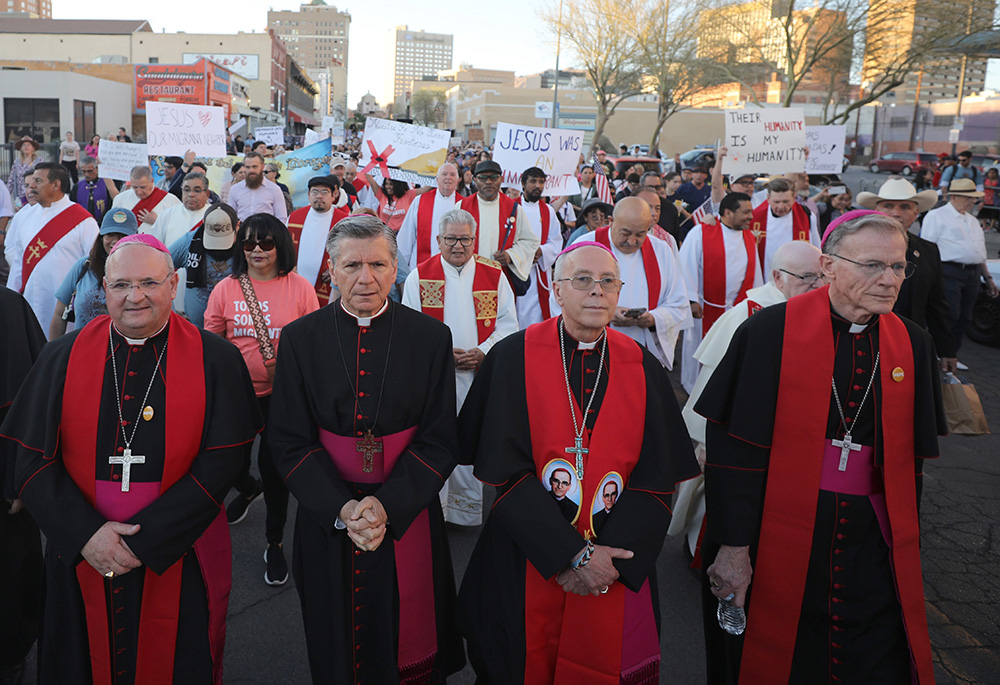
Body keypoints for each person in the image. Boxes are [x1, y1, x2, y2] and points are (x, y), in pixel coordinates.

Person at [695, 212, 947, 684]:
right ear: (829, 266)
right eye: (873, 265)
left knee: (872, 650)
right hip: (775, 529)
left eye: (898, 267)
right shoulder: (768, 332)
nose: (889, 280)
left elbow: (910, 462)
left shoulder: (913, 343)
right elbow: (735, 451)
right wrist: (733, 547)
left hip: (870, 539)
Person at [1, 233, 260, 684]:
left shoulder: (216, 359)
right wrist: (86, 535)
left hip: (177, 547)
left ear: (174, 284)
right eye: (120, 285)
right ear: (103, 288)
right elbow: (30, 460)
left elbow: (225, 461)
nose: (134, 296)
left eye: (148, 283)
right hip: (79, 551)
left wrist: (145, 541)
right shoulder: (61, 356)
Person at [457, 241, 699, 684]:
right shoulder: (512, 358)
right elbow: (504, 470)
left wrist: (607, 560)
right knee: (513, 661)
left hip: (615, 552)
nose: (597, 292)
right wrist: (570, 556)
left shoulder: (642, 365)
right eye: (582, 280)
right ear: (555, 287)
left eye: (608, 282)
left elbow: (656, 476)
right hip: (525, 551)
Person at [269, 214, 464, 683]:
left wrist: (387, 504)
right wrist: (343, 508)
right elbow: (289, 439)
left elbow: (439, 439)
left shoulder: (431, 338)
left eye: (378, 264)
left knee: (409, 631)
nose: (366, 278)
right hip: (328, 510)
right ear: (330, 271)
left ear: (395, 268)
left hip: (407, 506)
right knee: (333, 634)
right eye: (352, 265)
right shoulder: (300, 338)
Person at [674, 241, 823, 561]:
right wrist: (703, 441)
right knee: (720, 494)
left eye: (821, 276)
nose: (817, 285)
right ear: (777, 277)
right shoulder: (748, 314)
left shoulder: (814, 310)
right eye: (807, 277)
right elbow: (710, 381)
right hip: (737, 429)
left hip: (786, 432)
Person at [206, 214, 318, 585]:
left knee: (275, 472)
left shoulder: (300, 288)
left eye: (266, 243)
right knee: (228, 461)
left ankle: (274, 542)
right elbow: (212, 342)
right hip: (237, 396)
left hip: (281, 396)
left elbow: (311, 344)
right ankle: (246, 487)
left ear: (280, 245)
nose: (256, 250)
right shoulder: (226, 288)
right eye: (249, 243)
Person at [402, 207, 518, 526]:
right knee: (434, 439)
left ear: (474, 240)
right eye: (451, 238)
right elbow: (408, 329)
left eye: (465, 239)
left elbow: (509, 324)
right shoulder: (420, 276)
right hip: (435, 380)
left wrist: (482, 352)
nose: (458, 246)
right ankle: (434, 508)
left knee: (470, 436)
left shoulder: (493, 275)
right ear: (438, 240)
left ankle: (463, 511)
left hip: (477, 377)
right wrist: (440, 356)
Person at [571, 197, 692, 369]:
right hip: (594, 348)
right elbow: (563, 298)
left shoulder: (661, 250)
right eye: (626, 233)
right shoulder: (583, 246)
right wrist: (606, 314)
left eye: (640, 234)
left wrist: (652, 318)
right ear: (611, 221)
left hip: (644, 348)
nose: (632, 241)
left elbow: (678, 302)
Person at [855, 178, 958, 372]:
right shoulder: (856, 246)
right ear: (877, 210)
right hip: (863, 343)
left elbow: (937, 304)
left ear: (916, 213)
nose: (896, 213)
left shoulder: (928, 251)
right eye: (888, 205)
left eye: (904, 207)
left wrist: (946, 349)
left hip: (909, 345)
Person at [0, 288, 46, 685]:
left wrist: (20, 476)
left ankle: (10, 657)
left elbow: (36, 394)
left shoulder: (9, 307)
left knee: (11, 577)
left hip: (4, 485)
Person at [678, 192, 764, 393]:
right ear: (727, 212)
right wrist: (690, 299)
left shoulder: (749, 237)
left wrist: (756, 301)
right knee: (700, 356)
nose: (751, 217)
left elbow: (755, 272)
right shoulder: (701, 233)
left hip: (737, 309)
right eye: (746, 212)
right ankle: (693, 391)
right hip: (705, 308)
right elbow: (685, 266)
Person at [5, 163, 99, 335]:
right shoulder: (24, 217)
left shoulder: (84, 221)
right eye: (32, 181)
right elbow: (18, 263)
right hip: (29, 301)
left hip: (63, 306)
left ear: (56, 185)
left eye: (38, 181)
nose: (31, 186)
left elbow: (94, 264)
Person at [920, 178, 998, 365]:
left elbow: (979, 253)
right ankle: (934, 352)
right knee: (949, 314)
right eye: (967, 198)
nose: (972, 201)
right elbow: (927, 248)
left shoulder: (971, 220)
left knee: (965, 317)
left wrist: (988, 278)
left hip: (971, 274)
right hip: (948, 271)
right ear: (953, 196)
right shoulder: (936, 216)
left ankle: (950, 355)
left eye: (974, 198)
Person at [51, 207, 137, 338]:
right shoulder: (83, 266)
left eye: (122, 236)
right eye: (110, 235)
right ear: (101, 237)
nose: (115, 241)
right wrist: (53, 353)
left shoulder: (143, 271)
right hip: (84, 348)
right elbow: (59, 314)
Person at [459, 160, 540, 284]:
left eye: (494, 177)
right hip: (468, 276)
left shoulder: (514, 209)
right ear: (475, 180)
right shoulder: (461, 207)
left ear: (501, 180)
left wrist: (511, 255)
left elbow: (530, 241)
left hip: (502, 279)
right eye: (483, 178)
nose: (489, 182)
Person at [146, 171, 214, 316]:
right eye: (187, 189)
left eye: (197, 190)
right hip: (170, 293)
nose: (191, 194)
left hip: (203, 296)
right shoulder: (167, 215)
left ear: (207, 193)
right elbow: (153, 252)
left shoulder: (214, 216)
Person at [168, 203, 240, 328]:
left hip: (237, 325)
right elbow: (160, 268)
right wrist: (169, 310)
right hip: (197, 326)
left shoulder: (248, 245)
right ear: (204, 224)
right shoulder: (189, 242)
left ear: (237, 226)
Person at [287, 175, 350, 306]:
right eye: (315, 191)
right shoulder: (295, 217)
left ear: (334, 196)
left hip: (328, 286)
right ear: (309, 195)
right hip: (296, 280)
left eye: (324, 192)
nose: (319, 196)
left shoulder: (344, 221)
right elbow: (285, 247)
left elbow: (350, 251)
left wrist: (336, 267)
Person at [515, 167, 565, 327]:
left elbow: (556, 242)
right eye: (533, 181)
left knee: (536, 317)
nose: (537, 186)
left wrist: (541, 251)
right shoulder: (511, 207)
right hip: (515, 271)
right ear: (523, 183)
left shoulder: (548, 211)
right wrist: (522, 253)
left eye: (541, 182)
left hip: (538, 275)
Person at [396, 162, 463, 274]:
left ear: (457, 180)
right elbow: (406, 237)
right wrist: (401, 271)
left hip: (453, 270)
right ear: (437, 179)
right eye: (444, 174)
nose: (448, 178)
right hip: (420, 267)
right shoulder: (420, 201)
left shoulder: (464, 204)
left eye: (452, 175)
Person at [749, 177, 821, 277]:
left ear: (794, 197)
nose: (781, 207)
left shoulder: (806, 216)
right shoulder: (754, 218)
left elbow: (816, 249)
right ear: (768, 198)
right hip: (764, 276)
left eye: (786, 201)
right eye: (776, 202)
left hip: (796, 278)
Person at [229, 152, 289, 224]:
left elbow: (281, 218)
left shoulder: (275, 190)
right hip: (242, 233)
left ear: (262, 167)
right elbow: (231, 216)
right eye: (248, 167)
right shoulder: (235, 189)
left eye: (255, 167)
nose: (251, 170)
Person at [112, 165, 181, 227]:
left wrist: (157, 221)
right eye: (135, 187)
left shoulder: (170, 200)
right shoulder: (120, 199)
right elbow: (113, 225)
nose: (139, 191)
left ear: (152, 181)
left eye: (143, 187)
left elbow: (180, 226)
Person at [364, 174, 430, 232]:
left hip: (402, 234)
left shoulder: (409, 194)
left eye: (390, 184)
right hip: (385, 234)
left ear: (397, 185)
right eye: (386, 184)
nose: (387, 187)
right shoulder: (382, 194)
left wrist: (436, 177)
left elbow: (426, 189)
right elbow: (369, 178)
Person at [70, 155, 119, 224]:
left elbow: (113, 203)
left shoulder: (106, 184)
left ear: (96, 168)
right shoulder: (77, 187)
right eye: (83, 171)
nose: (86, 174)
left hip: (103, 223)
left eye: (90, 171)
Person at [9, 135, 40, 210]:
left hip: (34, 194)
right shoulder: (17, 162)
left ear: (33, 148)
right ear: (21, 148)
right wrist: (6, 194)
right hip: (20, 196)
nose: (26, 147)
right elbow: (11, 179)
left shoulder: (38, 161)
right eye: (24, 145)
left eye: (29, 145)